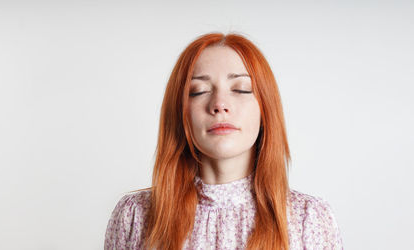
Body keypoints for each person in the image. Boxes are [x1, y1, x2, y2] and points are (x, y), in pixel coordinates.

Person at [104, 32, 344, 249]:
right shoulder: (135, 215)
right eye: (198, 91)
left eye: (240, 89)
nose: (219, 104)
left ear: (265, 110)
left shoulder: (309, 219)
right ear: (180, 113)